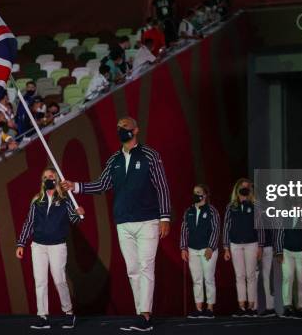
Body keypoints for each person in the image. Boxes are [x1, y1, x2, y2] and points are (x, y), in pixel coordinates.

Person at [61, 116, 171, 332]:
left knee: (146, 266)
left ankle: (145, 316)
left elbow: (162, 187)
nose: (122, 130)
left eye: (126, 127)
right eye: (119, 128)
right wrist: (76, 187)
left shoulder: (150, 155)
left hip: (148, 220)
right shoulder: (114, 160)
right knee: (132, 269)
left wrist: (165, 217)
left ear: (136, 130)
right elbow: (102, 184)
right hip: (123, 222)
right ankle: (141, 314)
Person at [16, 167, 85, 330]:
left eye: (51, 176)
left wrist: (79, 213)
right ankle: (43, 316)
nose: (48, 179)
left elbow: (75, 220)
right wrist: (21, 243)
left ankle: (69, 313)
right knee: (40, 281)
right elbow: (29, 223)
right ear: (42, 181)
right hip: (38, 246)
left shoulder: (65, 200)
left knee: (59, 280)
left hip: (57, 246)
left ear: (56, 180)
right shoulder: (37, 201)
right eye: (45, 177)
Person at [222, 178, 264, 317]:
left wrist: (260, 246)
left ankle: (251, 307)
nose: (245, 189)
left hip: (252, 244)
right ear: (237, 189)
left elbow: (260, 227)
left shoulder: (255, 205)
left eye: (248, 187)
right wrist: (226, 247)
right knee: (239, 276)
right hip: (235, 244)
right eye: (242, 187)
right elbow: (226, 227)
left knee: (250, 276)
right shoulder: (231, 206)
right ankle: (242, 306)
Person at [180, 184, 220, 319]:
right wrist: (183, 248)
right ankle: (198, 308)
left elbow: (216, 229)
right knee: (196, 279)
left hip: (207, 250)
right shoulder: (188, 211)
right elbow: (184, 230)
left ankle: (210, 308)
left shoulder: (212, 211)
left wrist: (211, 247)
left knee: (208, 278)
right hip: (192, 249)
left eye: (198, 192)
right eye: (194, 192)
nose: (195, 195)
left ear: (205, 195)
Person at [275, 218, 302, 319]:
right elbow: (279, 234)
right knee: (287, 278)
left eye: (299, 203)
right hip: (287, 252)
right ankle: (287, 307)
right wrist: (279, 252)